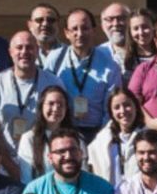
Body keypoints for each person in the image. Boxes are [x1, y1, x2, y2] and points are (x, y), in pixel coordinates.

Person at [45, 9, 126, 137]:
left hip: (97, 132)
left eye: (85, 28)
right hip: (62, 131)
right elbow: (45, 97)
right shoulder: (55, 59)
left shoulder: (109, 64)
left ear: (93, 30)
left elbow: (111, 107)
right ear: (66, 33)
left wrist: (101, 138)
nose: (80, 33)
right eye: (74, 29)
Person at [0, 31, 51, 166]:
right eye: (19, 47)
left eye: (30, 47)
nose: (24, 52)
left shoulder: (52, 83)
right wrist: (10, 167)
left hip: (41, 161)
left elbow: (56, 128)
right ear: (10, 52)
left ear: (37, 51)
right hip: (3, 161)